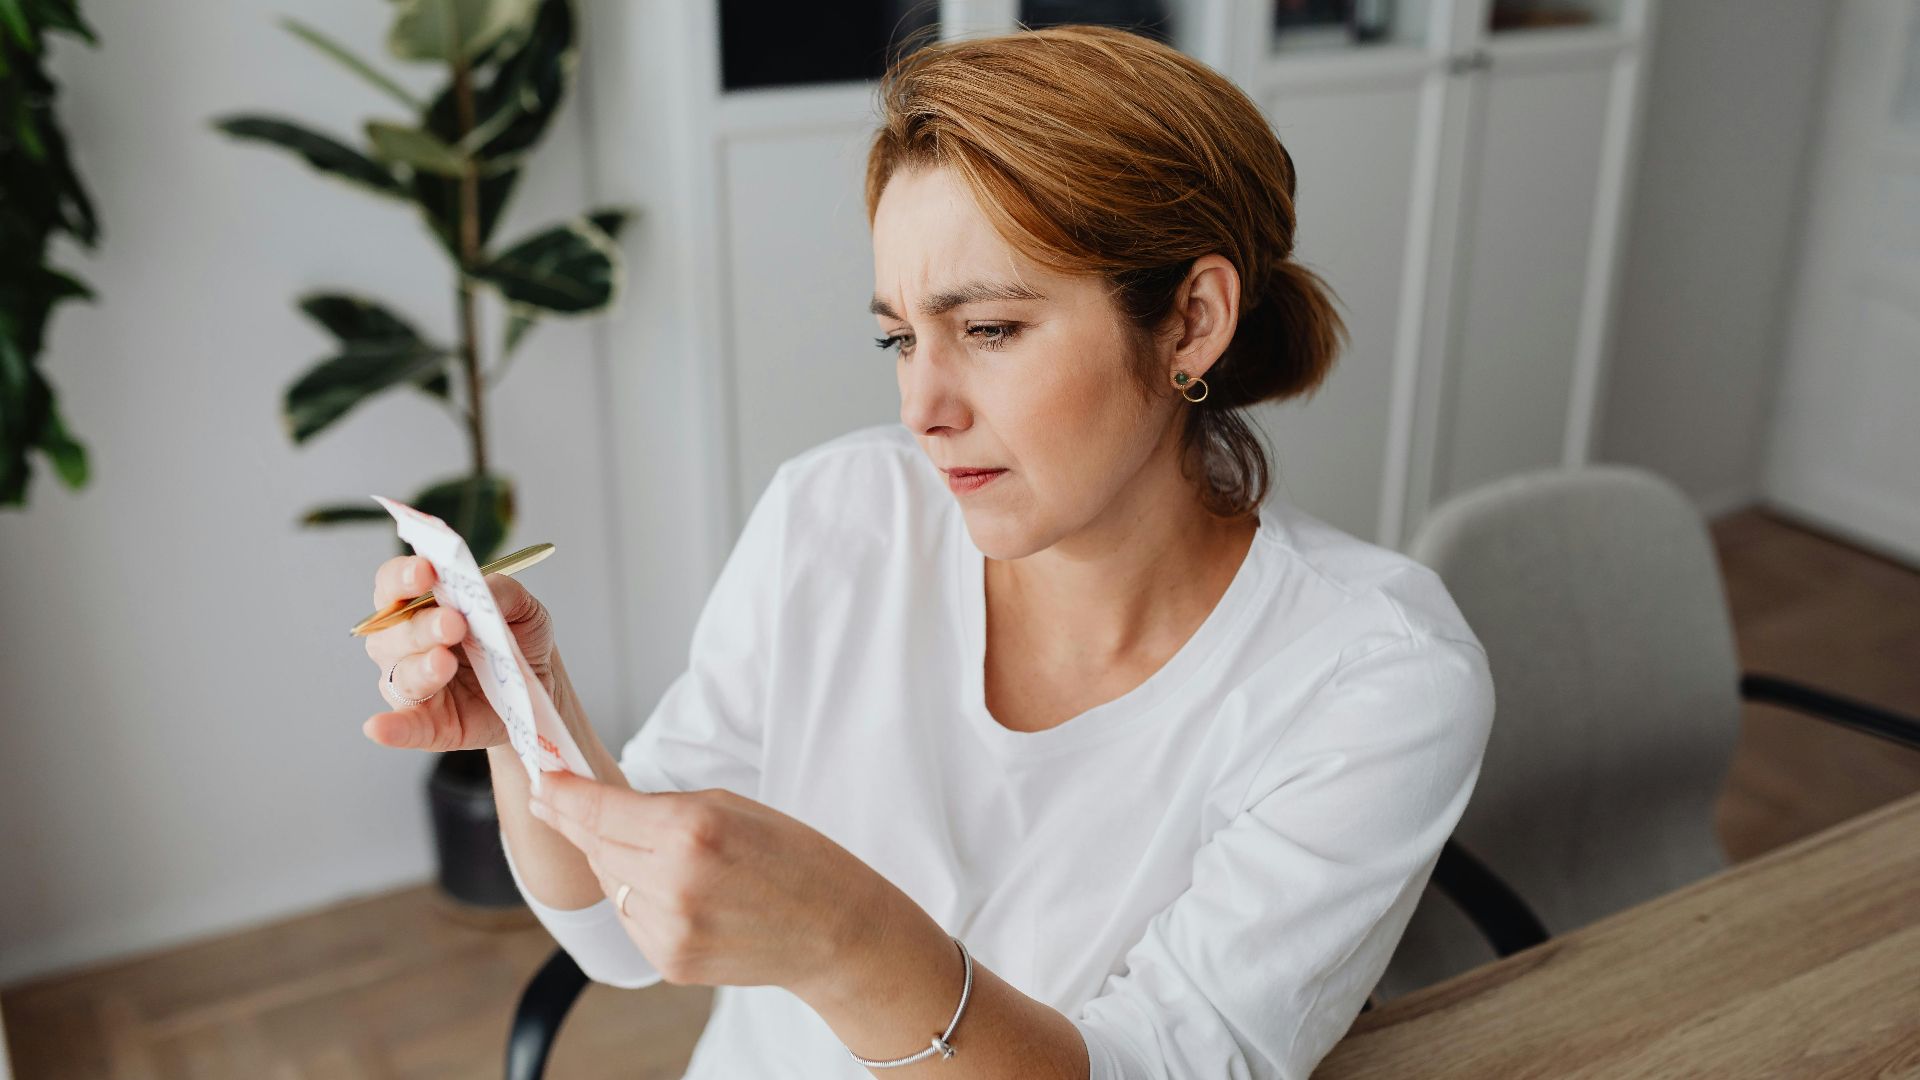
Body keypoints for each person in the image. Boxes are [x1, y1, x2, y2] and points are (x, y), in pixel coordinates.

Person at [361, 24, 1494, 1080]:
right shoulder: (837, 515)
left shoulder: (1375, 678)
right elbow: (618, 928)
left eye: (990, 329)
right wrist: (527, 718)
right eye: (900, 338)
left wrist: (848, 942)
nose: (922, 406)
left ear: (1192, 320)